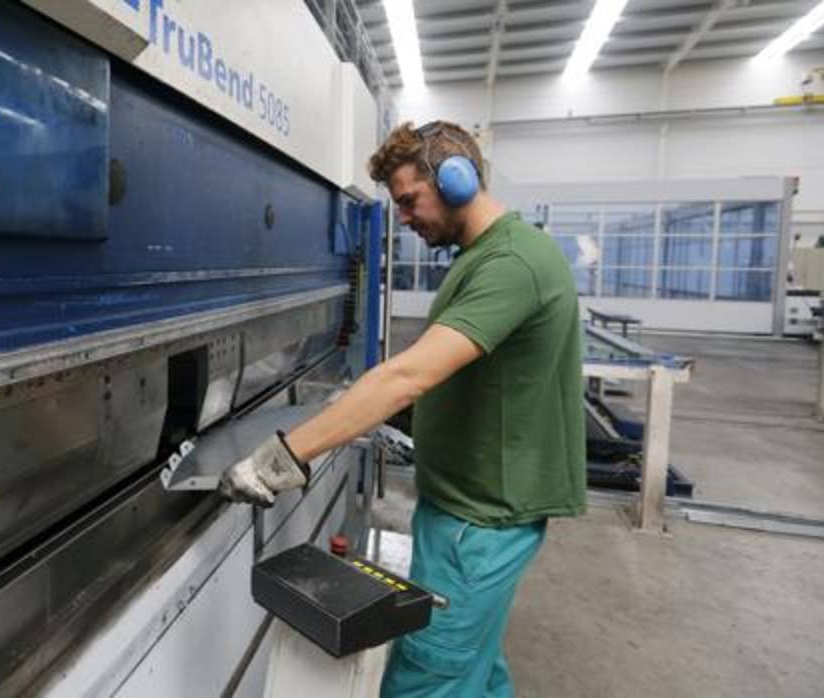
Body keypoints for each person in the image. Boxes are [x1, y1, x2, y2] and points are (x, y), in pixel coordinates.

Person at [218, 121, 586, 697]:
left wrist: (280, 459)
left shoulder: (512, 261)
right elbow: (477, 376)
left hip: (478, 524)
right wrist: (377, 418)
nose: (406, 220)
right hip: (464, 510)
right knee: (477, 673)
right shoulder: (482, 254)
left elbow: (409, 375)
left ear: (458, 180)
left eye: (410, 201)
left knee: (426, 677)